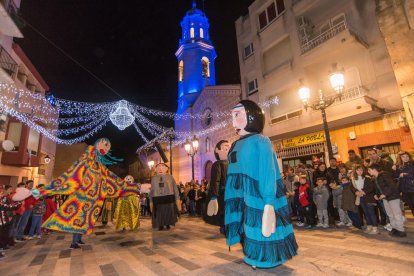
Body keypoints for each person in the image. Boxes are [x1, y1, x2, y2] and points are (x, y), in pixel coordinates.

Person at [224, 100, 297, 269]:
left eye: (237, 115)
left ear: (251, 116)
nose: (233, 121)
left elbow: (267, 171)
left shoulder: (261, 140)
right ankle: (251, 255)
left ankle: (264, 258)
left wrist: (269, 201)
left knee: (261, 226)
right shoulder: (235, 143)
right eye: (232, 116)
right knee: (246, 227)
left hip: (256, 192)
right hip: (239, 195)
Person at [37, 138, 140, 249]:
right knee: (78, 219)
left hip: (91, 199)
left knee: (85, 219)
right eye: (104, 145)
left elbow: (113, 179)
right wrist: (91, 150)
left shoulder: (100, 166)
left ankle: (79, 239)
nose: (105, 148)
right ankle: (73, 242)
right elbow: (76, 171)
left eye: (108, 147)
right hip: (82, 196)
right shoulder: (88, 157)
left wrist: (133, 187)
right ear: (97, 144)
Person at [368, 164, 406, 237]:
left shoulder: (384, 175)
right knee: (390, 214)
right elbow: (378, 188)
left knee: (396, 214)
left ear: (374, 170)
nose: (368, 171)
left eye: (369, 170)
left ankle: (401, 230)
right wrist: (376, 194)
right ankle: (395, 228)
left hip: (393, 197)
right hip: (385, 198)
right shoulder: (374, 178)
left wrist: (385, 194)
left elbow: (392, 186)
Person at [206, 140, 230, 234]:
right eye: (225, 148)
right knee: (222, 210)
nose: (227, 150)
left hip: (230, 192)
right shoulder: (217, 164)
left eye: (229, 148)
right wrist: (214, 196)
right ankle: (223, 226)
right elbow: (215, 181)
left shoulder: (231, 163)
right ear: (217, 150)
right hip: (222, 193)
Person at [150, 163, 181, 231]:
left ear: (166, 169)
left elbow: (175, 188)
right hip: (157, 199)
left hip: (168, 198)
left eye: (162, 167)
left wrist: (177, 198)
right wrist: (151, 201)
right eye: (158, 167)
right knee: (159, 213)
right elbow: (152, 190)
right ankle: (160, 225)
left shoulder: (170, 177)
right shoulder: (154, 178)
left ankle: (167, 224)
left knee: (168, 212)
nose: (160, 169)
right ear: (155, 169)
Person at [352, 165, 378, 234]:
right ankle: (369, 226)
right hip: (360, 198)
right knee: (366, 213)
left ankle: (375, 227)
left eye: (361, 170)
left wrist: (363, 192)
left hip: (368, 197)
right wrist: (356, 192)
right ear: (355, 171)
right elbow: (352, 187)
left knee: (371, 212)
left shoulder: (367, 178)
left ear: (363, 171)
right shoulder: (353, 179)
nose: (359, 172)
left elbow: (372, 187)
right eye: (358, 170)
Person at [0, 185, 21, 258]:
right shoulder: (3, 197)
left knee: (5, 232)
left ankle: (3, 245)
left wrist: (17, 204)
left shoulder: (6, 196)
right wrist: (18, 205)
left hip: (6, 218)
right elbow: (5, 206)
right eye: (10, 189)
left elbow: (9, 206)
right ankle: (2, 246)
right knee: (2, 233)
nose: (11, 190)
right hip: (2, 218)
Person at [393, 151, 414, 216]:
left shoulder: (412, 164)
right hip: (404, 190)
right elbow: (395, 177)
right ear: (400, 158)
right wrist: (394, 170)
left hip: (412, 188)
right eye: (403, 157)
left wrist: (404, 175)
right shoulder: (398, 166)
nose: (405, 158)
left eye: (407, 156)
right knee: (411, 207)